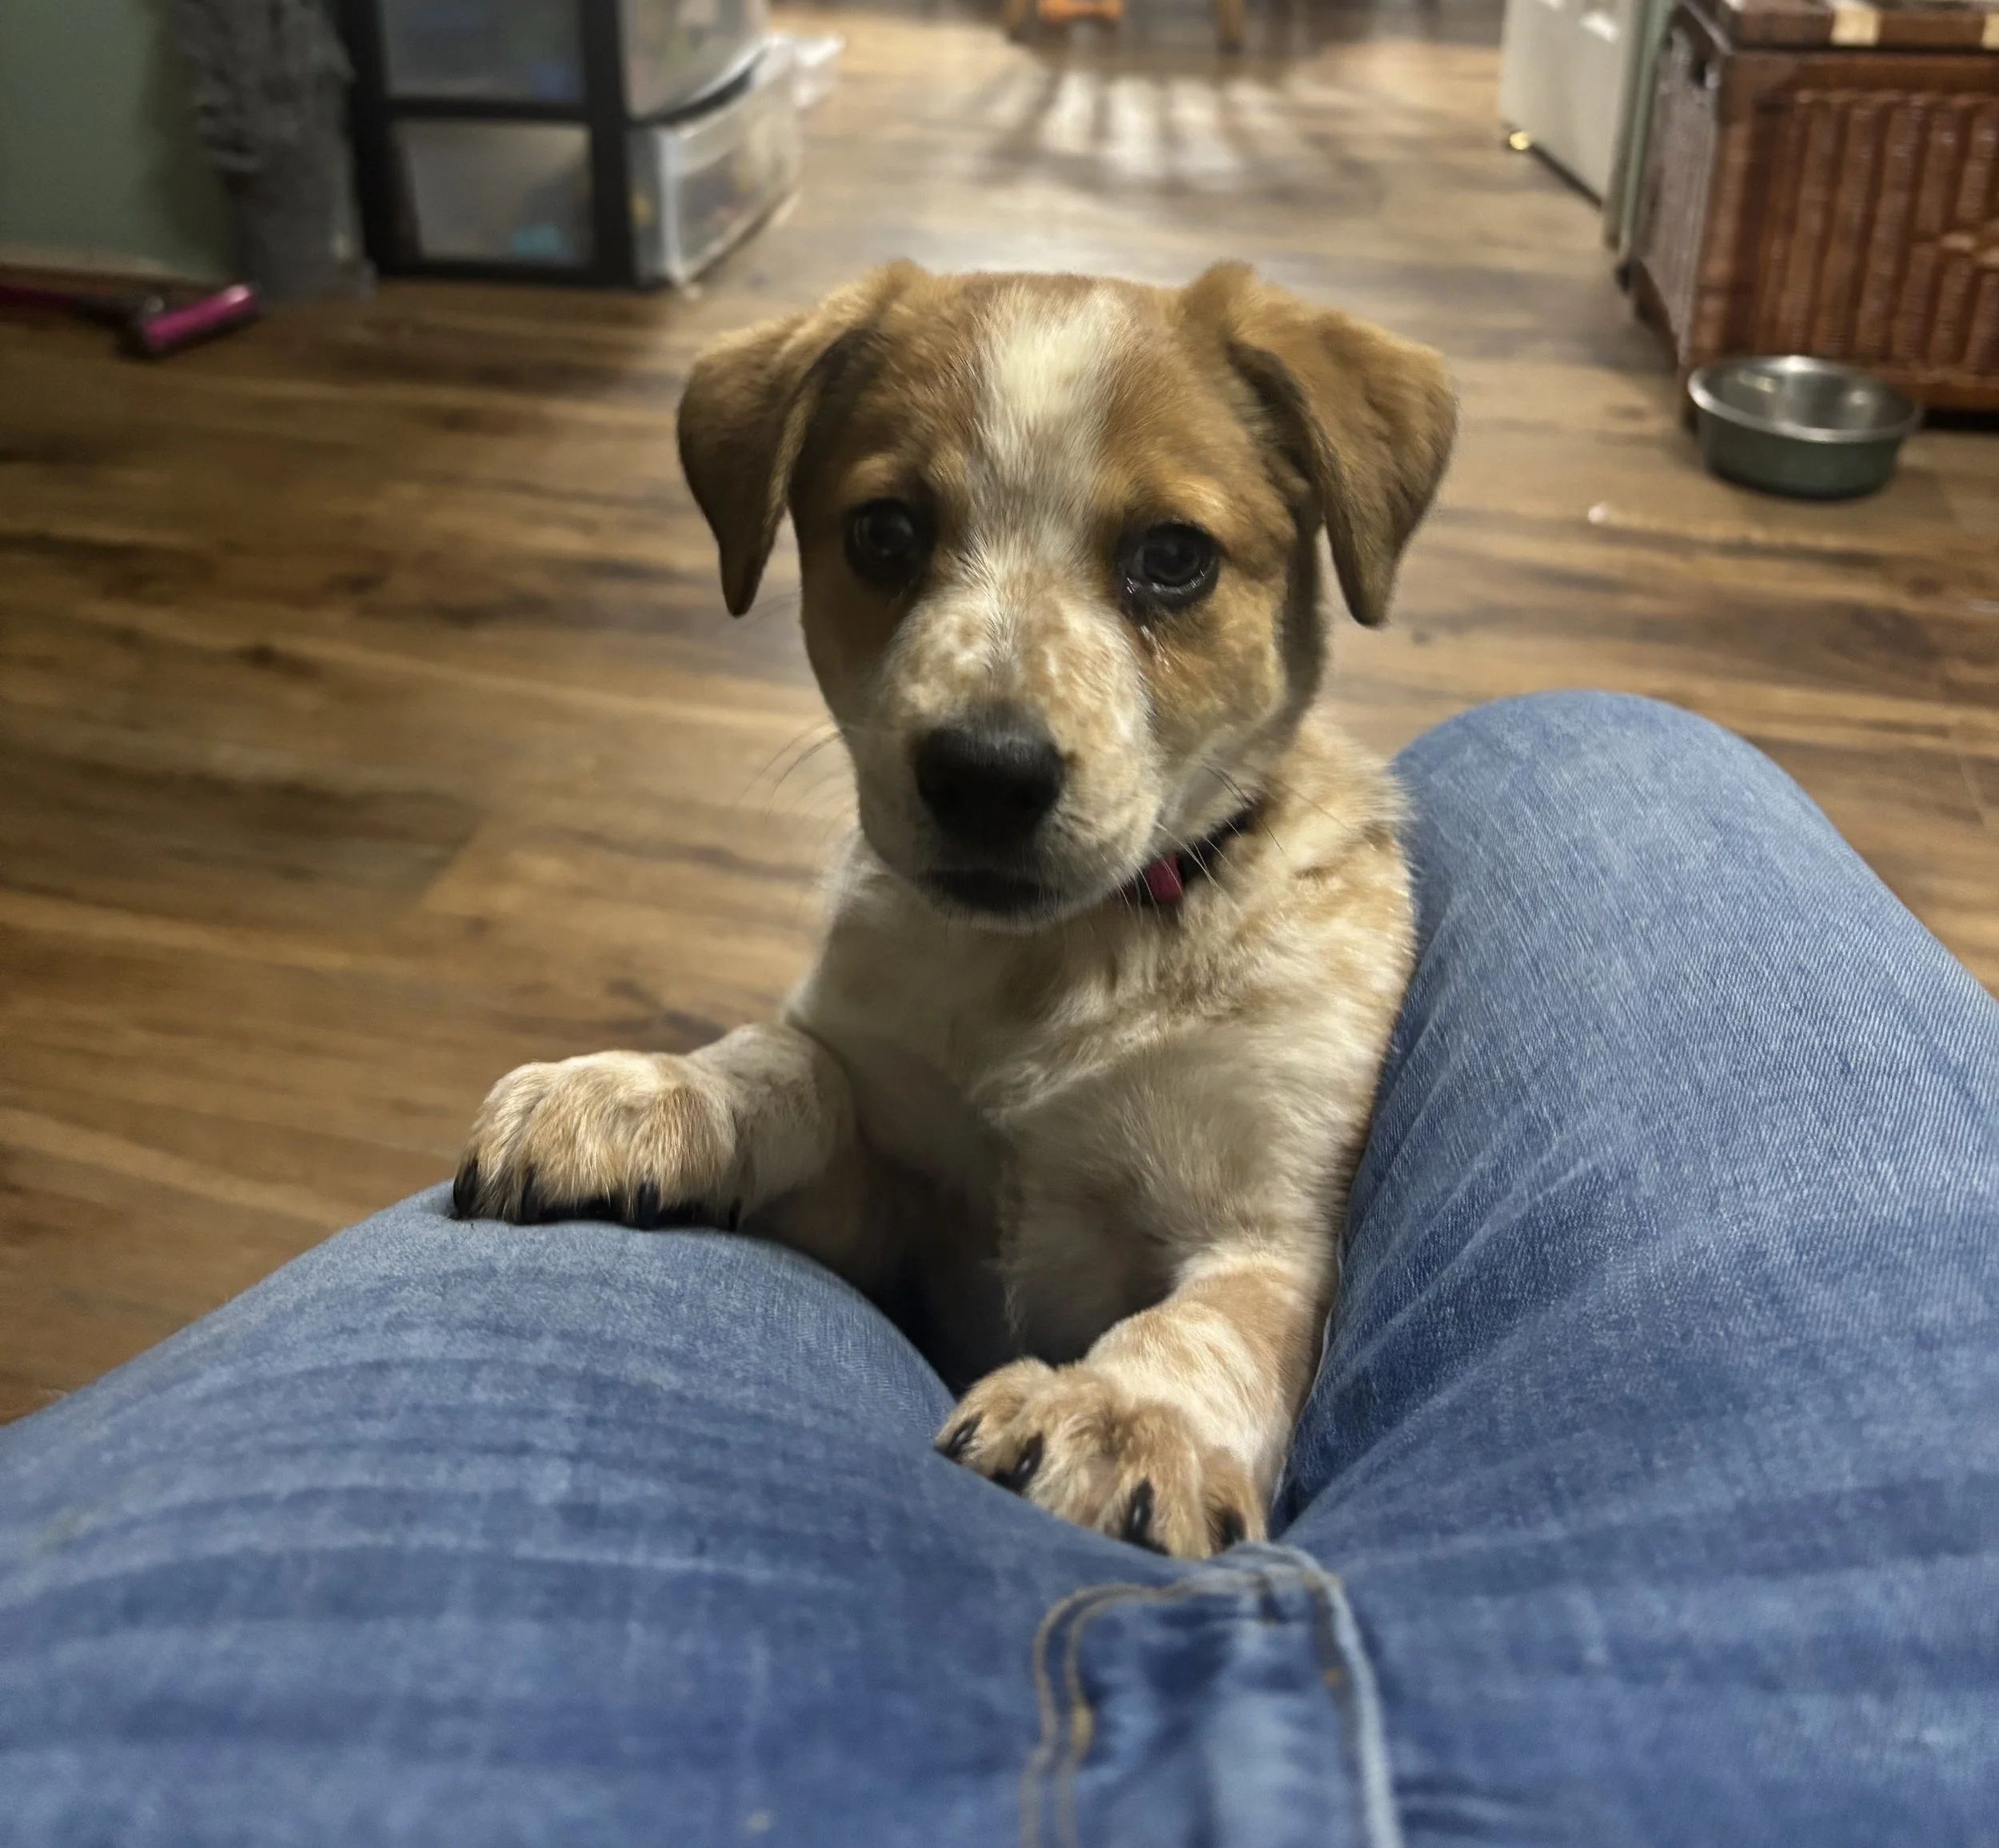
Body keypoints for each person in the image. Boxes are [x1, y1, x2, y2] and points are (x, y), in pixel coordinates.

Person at [2, 692, 1993, 1847]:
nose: (987, 702)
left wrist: (1183, 1365)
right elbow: (847, 1109)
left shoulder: (1317, 912)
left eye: (1163, 560)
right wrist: (748, 1085)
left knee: (1591, 762)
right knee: (1616, 759)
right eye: (892, 535)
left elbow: (1272, 1249)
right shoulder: (899, 904)